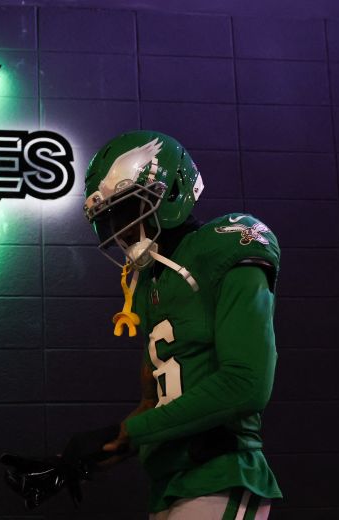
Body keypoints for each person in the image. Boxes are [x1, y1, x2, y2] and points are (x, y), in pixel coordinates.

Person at [83, 130, 282, 519]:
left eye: (128, 209)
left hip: (221, 473)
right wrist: (91, 451)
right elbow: (153, 402)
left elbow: (246, 384)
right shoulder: (152, 281)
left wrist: (136, 432)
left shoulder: (225, 244)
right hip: (170, 483)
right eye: (110, 218)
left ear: (171, 191)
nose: (122, 230)